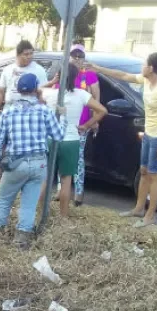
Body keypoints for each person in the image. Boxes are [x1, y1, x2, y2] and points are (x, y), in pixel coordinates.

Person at [87, 53, 157, 228]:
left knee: (155, 174)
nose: (142, 67)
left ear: (151, 68)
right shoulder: (147, 80)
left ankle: (150, 215)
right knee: (144, 171)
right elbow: (123, 76)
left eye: (144, 64)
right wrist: (97, 69)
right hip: (149, 132)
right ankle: (138, 209)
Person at [0, 73, 67, 249]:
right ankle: (21, 240)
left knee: (3, 199)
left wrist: (1, 164)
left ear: (17, 89)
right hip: (39, 162)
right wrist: (62, 117)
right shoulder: (44, 110)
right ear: (35, 89)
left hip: (16, 162)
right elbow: (58, 135)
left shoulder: (8, 112)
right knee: (29, 203)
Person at [39, 63, 106, 217]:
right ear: (76, 77)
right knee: (66, 180)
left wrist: (51, 82)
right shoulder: (81, 94)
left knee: (45, 178)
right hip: (71, 140)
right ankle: (63, 215)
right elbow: (102, 110)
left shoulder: (50, 93)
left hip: (51, 138)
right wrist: (86, 125)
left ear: (59, 76)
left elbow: (34, 91)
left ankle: (39, 213)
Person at [0, 40, 48, 123]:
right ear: (18, 55)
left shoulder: (39, 70)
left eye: (31, 53)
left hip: (30, 113)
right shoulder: (8, 70)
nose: (29, 56)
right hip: (10, 112)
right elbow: (0, 92)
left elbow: (45, 92)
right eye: (26, 54)